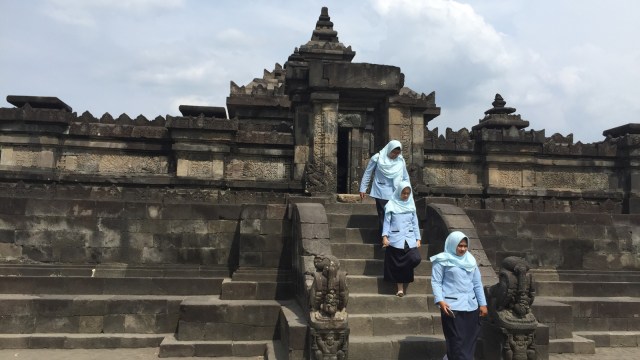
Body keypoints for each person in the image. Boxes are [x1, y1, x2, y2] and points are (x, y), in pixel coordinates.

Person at [430, 231, 488, 360]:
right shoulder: (442, 260)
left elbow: (477, 283)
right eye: (459, 245)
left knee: (469, 340)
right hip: (452, 307)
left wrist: (483, 304)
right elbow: (436, 282)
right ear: (452, 244)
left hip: (471, 306)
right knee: (456, 341)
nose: (462, 249)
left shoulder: (470, 260)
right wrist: (440, 300)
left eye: (465, 246)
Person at [359, 140, 410, 235]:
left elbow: (405, 176)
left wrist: (408, 191)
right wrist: (363, 188)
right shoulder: (377, 158)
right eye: (393, 152)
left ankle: (393, 238)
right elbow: (368, 173)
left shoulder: (400, 160)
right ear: (389, 149)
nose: (395, 155)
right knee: (383, 214)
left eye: (397, 153)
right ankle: (384, 238)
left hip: (396, 191)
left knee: (395, 214)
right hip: (381, 190)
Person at [381, 181, 422, 297]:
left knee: (416, 258)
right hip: (395, 239)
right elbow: (387, 222)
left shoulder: (411, 205)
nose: (405, 195)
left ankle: (403, 271)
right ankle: (400, 289)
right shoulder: (391, 205)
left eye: (408, 193)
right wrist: (385, 236)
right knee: (399, 262)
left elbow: (415, 223)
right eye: (403, 193)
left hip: (409, 239)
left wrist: (418, 238)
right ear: (399, 192)